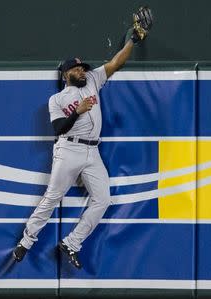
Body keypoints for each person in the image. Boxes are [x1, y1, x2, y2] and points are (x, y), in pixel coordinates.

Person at [12, 8, 153, 269]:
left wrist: (132, 39)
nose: (82, 70)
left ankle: (72, 243)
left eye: (82, 67)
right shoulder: (58, 99)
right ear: (67, 75)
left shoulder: (92, 81)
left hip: (92, 153)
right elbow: (58, 129)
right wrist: (76, 113)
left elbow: (115, 63)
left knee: (103, 199)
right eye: (76, 68)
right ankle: (27, 241)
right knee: (52, 198)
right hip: (68, 150)